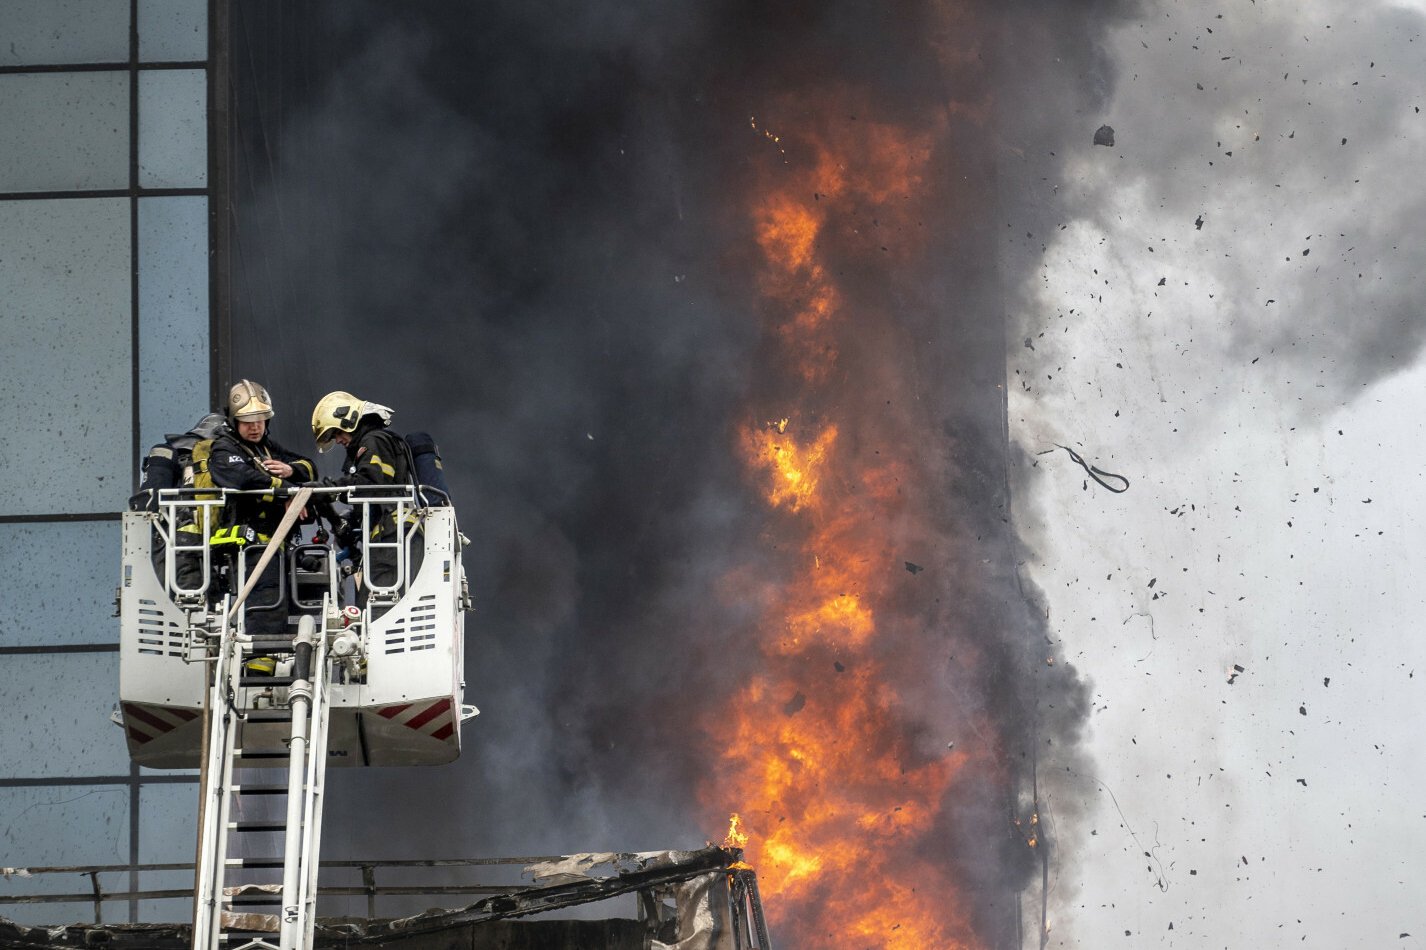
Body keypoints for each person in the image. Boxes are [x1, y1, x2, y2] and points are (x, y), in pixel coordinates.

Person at [207, 380, 315, 636]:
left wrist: (291, 470)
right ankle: (259, 656)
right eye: (247, 421)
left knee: (281, 607)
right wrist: (285, 491)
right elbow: (242, 478)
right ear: (234, 421)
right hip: (248, 547)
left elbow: (310, 466)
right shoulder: (223, 448)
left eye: (260, 420)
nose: (255, 427)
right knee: (264, 610)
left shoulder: (267, 447)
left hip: (276, 546)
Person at [308, 391, 422, 604]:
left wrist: (331, 489)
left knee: (375, 608)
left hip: (392, 537)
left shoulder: (374, 441)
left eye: (337, 433)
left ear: (349, 420)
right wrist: (350, 520)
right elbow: (378, 491)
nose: (338, 440)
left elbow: (372, 484)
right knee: (371, 606)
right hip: (389, 536)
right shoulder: (371, 443)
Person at [138, 411, 227, 597]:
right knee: (193, 599)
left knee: (183, 600)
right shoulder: (207, 457)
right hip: (191, 541)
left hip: (168, 539)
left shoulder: (177, 456)